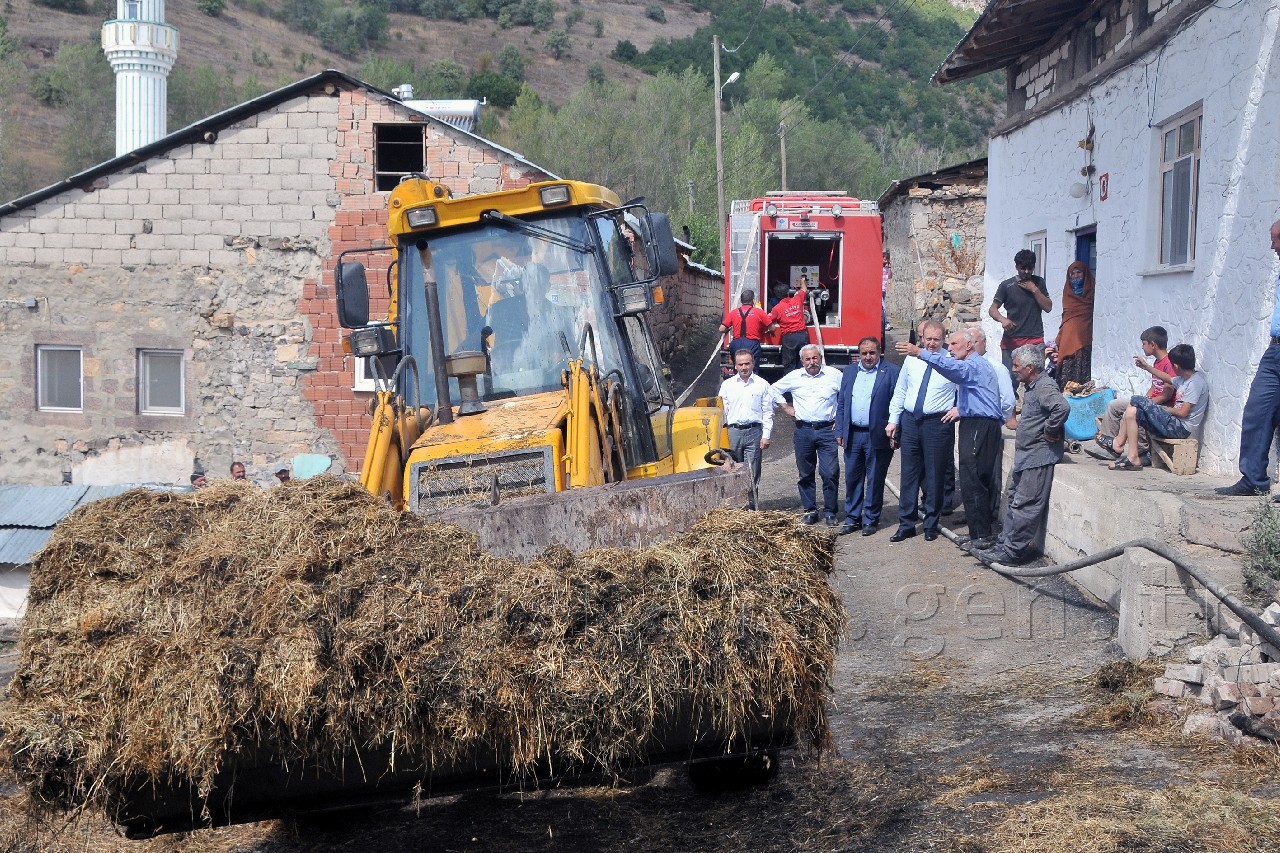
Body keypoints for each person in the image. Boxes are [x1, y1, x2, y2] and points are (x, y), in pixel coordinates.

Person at [897, 330, 1004, 548]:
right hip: (974, 422)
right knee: (969, 480)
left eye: (954, 344)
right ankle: (977, 534)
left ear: (969, 346)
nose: (950, 347)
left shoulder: (973, 365)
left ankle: (982, 536)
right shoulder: (971, 364)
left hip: (980, 425)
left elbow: (953, 370)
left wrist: (920, 353)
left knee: (974, 479)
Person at [975, 345, 1070, 567]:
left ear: (1030, 368)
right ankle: (1005, 544)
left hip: (1038, 457)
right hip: (1026, 455)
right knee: (1015, 502)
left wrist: (1050, 430)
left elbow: (1061, 408)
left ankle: (1012, 552)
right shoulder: (1031, 385)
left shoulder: (1044, 386)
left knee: (1026, 505)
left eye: (1017, 365)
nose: (1013, 369)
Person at [1218, 219, 1280, 497]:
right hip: (1275, 350)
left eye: (1275, 239)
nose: (1272, 246)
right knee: (1258, 410)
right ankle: (1253, 479)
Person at [887, 321, 957, 542]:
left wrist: (960, 408)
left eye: (937, 339)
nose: (932, 343)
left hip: (937, 423)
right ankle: (906, 524)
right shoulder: (911, 360)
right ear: (922, 338)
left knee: (935, 475)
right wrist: (893, 420)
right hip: (910, 422)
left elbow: (966, 388)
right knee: (908, 474)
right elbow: (901, 390)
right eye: (928, 339)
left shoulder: (951, 360)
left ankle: (930, 524)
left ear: (944, 339)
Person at [770, 344, 843, 525]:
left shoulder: (834, 375)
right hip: (803, 431)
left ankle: (830, 512)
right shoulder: (794, 377)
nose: (812, 362)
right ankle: (810, 510)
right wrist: (786, 407)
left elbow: (847, 396)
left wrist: (840, 418)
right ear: (802, 361)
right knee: (805, 473)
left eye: (815, 358)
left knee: (830, 472)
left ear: (820, 358)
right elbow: (772, 390)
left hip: (828, 431)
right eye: (808, 359)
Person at [835, 337, 900, 537]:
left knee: (875, 478)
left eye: (872, 352)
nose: (868, 357)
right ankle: (852, 518)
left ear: (879, 352)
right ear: (859, 354)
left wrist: (896, 432)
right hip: (853, 434)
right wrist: (840, 430)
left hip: (878, 435)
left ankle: (871, 519)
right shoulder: (850, 372)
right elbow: (842, 403)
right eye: (864, 353)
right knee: (853, 478)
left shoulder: (892, 372)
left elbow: (898, 404)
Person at [1109, 344, 1208, 471]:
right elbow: (1167, 377)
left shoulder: (1196, 383)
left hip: (1182, 429)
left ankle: (1118, 443)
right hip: (1173, 422)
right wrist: (1146, 367)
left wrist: (1164, 409)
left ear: (1176, 366)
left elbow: (1183, 412)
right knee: (1132, 411)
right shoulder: (1184, 379)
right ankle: (1133, 457)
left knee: (1137, 400)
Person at [1087, 326, 1173, 461]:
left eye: (1144, 344)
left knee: (1134, 410)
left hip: (1163, 406)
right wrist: (1145, 398)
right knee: (1114, 405)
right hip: (1151, 401)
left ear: (1153, 344)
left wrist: (1145, 404)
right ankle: (1109, 446)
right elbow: (1154, 386)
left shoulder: (1169, 363)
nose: (1142, 347)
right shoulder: (1157, 362)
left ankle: (1141, 451)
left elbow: (1167, 394)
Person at [718, 349, 774, 510]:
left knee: (753, 470)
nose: (744, 367)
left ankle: (752, 506)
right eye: (740, 364)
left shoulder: (762, 384)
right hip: (733, 432)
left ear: (753, 364)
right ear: (735, 366)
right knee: (731, 468)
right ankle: (734, 507)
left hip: (754, 433)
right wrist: (721, 436)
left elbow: (768, 412)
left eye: (747, 363)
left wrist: (766, 435)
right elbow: (721, 411)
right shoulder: (727, 385)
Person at [989, 249, 1053, 374]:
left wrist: (1034, 289)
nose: (1027, 272)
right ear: (1017, 267)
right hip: (1012, 340)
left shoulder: (1039, 283)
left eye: (1030, 268)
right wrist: (1002, 319)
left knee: (1037, 377)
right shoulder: (1006, 286)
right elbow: (992, 309)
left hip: (1035, 339)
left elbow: (1048, 307)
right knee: (1011, 379)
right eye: (1023, 268)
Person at [1055, 261, 1095, 390]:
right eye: (1073, 273)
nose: (1076, 276)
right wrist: (1059, 339)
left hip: (1084, 342)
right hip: (1067, 343)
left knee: (1082, 378)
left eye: (1079, 273)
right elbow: (1066, 318)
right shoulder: (1068, 294)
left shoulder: (1093, 291)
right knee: (1067, 380)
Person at [718, 289, 772, 369]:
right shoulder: (759, 312)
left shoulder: (734, 312)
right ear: (753, 300)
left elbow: (721, 329)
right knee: (752, 369)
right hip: (752, 343)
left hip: (736, 343)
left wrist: (729, 328)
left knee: (738, 367)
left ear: (741, 301)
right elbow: (772, 327)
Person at [770, 278, 810, 373]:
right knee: (804, 362)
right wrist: (803, 280)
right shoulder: (797, 299)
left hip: (789, 338)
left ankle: (790, 384)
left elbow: (768, 321)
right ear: (788, 293)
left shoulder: (777, 308)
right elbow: (804, 289)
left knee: (789, 364)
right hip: (802, 335)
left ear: (776, 296)